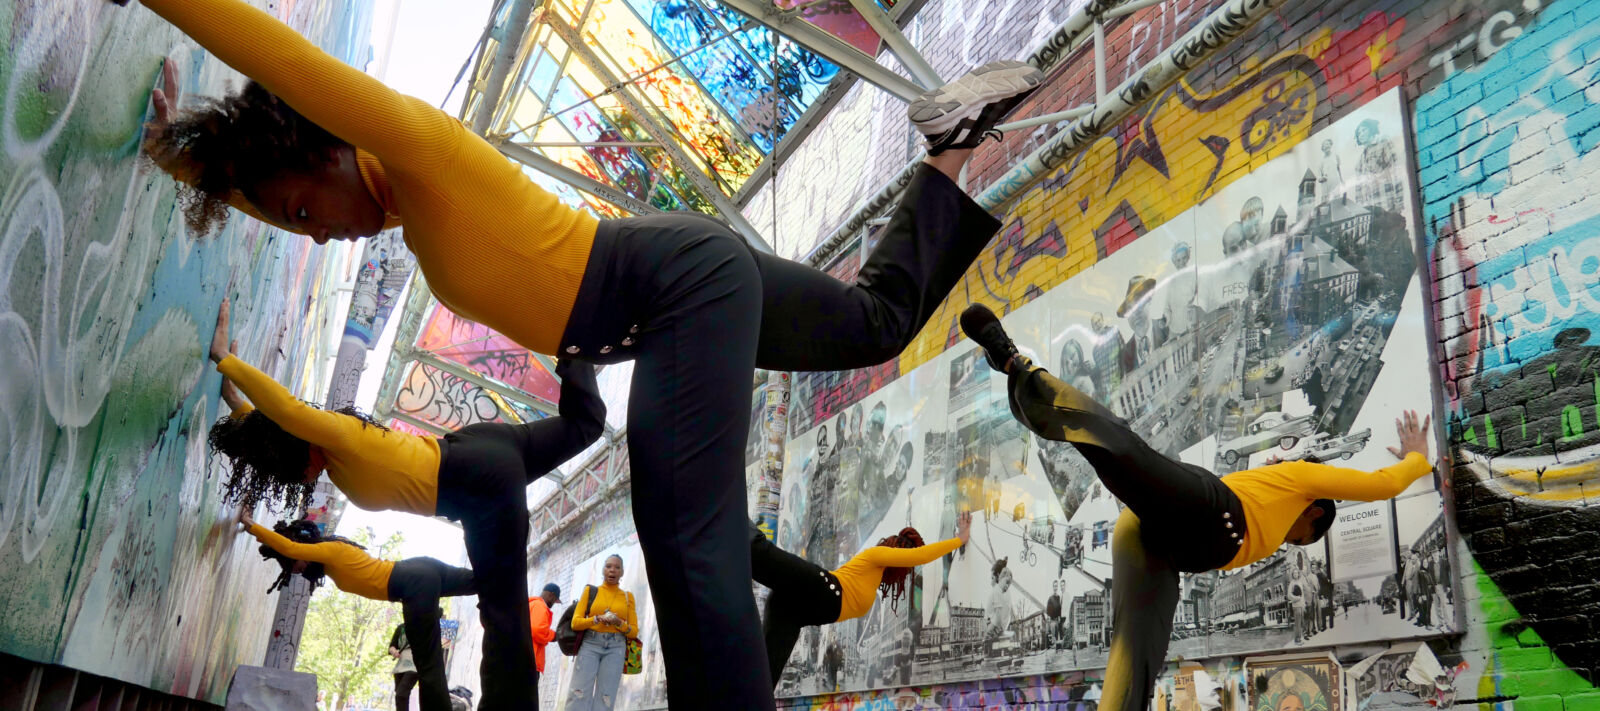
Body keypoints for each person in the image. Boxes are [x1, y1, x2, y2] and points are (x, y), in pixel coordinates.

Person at [123, 0, 1042, 696]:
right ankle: (951, 144)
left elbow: (284, 60)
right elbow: (265, 168)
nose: (314, 234)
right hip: (688, 276)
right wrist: (179, 155)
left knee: (688, 534)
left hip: (672, 285)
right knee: (873, 322)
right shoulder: (408, 207)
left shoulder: (414, 146)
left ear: (328, 151)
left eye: (299, 213)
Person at [960, 304, 1434, 711]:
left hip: (1166, 549)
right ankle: (1016, 365)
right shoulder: (1303, 479)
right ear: (1314, 512)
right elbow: (1381, 484)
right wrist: (1416, 459)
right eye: (1307, 536)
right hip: (1205, 510)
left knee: (1137, 651)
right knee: (1119, 447)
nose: (1298, 543)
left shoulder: (1272, 489)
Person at [207, 302, 603, 710]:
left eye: (297, 472)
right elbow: (275, 428)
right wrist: (238, 405)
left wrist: (226, 359)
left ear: (298, 448)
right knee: (585, 424)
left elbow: (286, 411)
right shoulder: (337, 457)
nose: (305, 480)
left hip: (475, 487)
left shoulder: (337, 435)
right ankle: (575, 328)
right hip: (482, 447)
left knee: (503, 609)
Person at [242, 512, 474, 711]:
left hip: (412, 585)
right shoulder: (332, 557)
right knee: (481, 581)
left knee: (428, 664)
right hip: (419, 570)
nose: (297, 569)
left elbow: (289, 547)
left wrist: (252, 526)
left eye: (293, 563)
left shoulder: (328, 550)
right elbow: (293, 550)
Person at [749, 511, 971, 687]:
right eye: (904, 555)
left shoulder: (872, 579)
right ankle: (735, 519)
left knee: (764, 679)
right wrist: (959, 539)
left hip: (795, 609)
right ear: (896, 548)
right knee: (758, 552)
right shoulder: (875, 556)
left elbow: (914, 559)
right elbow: (919, 555)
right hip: (821, 587)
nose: (906, 565)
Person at [567, 555, 639, 711]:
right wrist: (596, 619)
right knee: (578, 694)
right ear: (603, 570)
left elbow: (633, 632)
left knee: (606, 698)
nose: (612, 570)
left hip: (616, 647)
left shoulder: (628, 597)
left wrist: (618, 623)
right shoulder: (590, 591)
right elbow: (576, 622)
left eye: (617, 567)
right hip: (590, 643)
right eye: (608, 566)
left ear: (622, 572)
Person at [529, 583, 561, 676]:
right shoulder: (540, 606)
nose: (553, 604)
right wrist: (554, 636)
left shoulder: (532, 604)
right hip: (529, 660)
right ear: (551, 595)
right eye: (555, 600)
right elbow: (538, 630)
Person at [390, 623, 419, 711]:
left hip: (415, 666)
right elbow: (392, 646)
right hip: (401, 666)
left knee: (401, 694)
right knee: (400, 697)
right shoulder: (401, 628)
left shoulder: (424, 626)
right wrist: (394, 651)